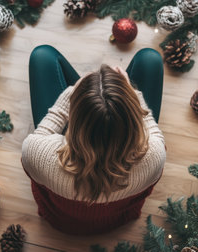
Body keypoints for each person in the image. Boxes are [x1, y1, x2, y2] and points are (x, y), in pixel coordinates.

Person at [21, 45, 166, 235]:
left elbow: (41, 134)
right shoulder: (154, 156)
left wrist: (72, 93)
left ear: (74, 118)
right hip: (117, 218)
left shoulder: (39, 155)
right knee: (151, 59)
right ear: (133, 120)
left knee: (42, 55)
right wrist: (132, 94)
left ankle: (88, 99)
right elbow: (153, 130)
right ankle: (106, 103)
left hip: (62, 219)